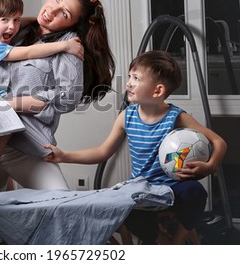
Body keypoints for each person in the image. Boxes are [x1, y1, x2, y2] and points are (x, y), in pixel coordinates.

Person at [0, 0, 115, 199]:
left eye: (64, 14)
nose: (52, 10)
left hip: (24, 145)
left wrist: (8, 105)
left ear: (72, 24)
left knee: (60, 204)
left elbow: (65, 100)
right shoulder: (15, 28)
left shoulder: (69, 46)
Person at [44, 50, 227, 244]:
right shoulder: (126, 117)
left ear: (157, 91)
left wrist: (210, 166)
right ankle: (159, 238)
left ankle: (177, 243)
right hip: (142, 187)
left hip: (173, 186)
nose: (128, 82)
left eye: (136, 78)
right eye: (130, 76)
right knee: (124, 208)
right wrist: (64, 156)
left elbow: (219, 142)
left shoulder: (176, 116)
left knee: (195, 192)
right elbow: (102, 152)